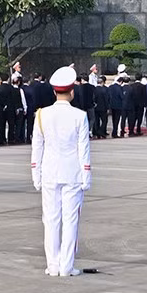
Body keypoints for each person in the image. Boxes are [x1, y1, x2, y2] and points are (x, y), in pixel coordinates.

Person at [31, 66, 92, 277]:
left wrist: (35, 175)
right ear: (72, 90)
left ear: (54, 91)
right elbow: (83, 149)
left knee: (50, 219)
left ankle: (53, 265)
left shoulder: (41, 115)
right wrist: (87, 176)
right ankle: (67, 266)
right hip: (72, 172)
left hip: (49, 172)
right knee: (70, 219)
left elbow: (36, 147)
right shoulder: (79, 116)